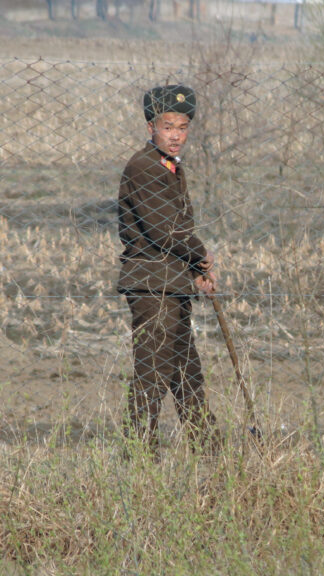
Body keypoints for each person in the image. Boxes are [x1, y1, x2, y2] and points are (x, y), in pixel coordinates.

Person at [116, 84, 220, 454]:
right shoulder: (144, 167)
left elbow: (172, 234)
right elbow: (164, 230)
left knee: (186, 373)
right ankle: (138, 456)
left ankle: (209, 452)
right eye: (168, 127)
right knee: (152, 374)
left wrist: (193, 271)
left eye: (183, 127)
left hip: (171, 284)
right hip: (150, 285)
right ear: (151, 127)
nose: (176, 135)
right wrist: (200, 256)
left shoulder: (169, 167)